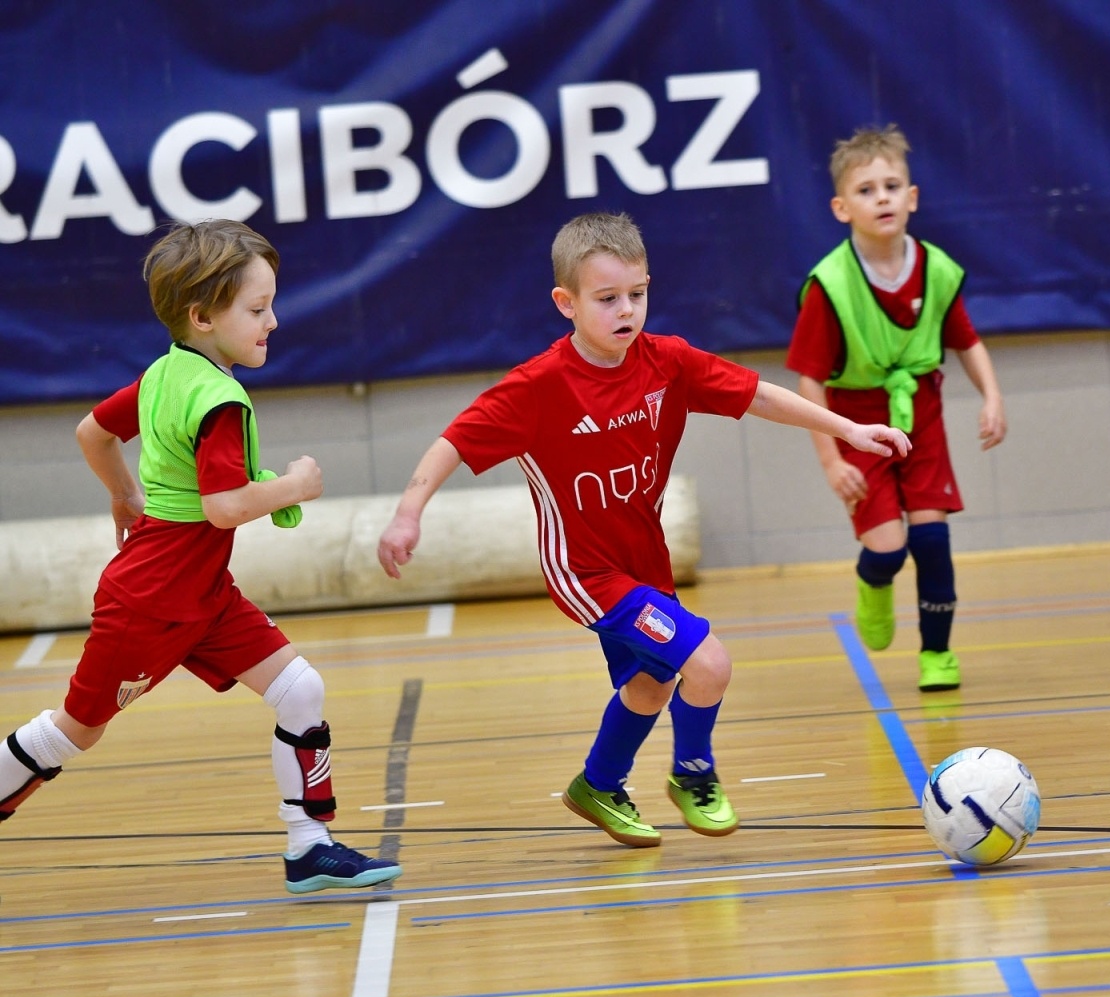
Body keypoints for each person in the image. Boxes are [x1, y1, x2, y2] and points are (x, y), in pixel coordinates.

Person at [376, 212, 909, 848]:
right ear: (566, 304)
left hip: (645, 562)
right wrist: (408, 512)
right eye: (607, 299)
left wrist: (848, 430)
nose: (626, 310)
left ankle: (598, 784)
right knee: (709, 663)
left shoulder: (668, 362)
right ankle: (694, 774)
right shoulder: (538, 387)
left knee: (650, 687)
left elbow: (759, 396)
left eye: (637, 293)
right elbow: (455, 442)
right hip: (586, 571)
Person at [0, 220, 401, 895]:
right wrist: (295, 485)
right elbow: (224, 506)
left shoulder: (166, 373)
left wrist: (124, 495)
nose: (273, 321)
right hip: (151, 601)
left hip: (203, 592)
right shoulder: (218, 398)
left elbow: (92, 433)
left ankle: (309, 847)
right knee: (75, 732)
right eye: (257, 308)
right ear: (203, 317)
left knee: (300, 689)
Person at [787, 124, 1006, 693]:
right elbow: (809, 380)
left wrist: (992, 396)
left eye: (891, 187)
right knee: (888, 548)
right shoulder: (830, 285)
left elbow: (966, 341)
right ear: (841, 208)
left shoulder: (937, 269)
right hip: (857, 423)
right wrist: (832, 460)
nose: (881, 198)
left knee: (932, 541)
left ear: (912, 198)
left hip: (921, 412)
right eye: (866, 190)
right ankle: (874, 581)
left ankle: (938, 653)